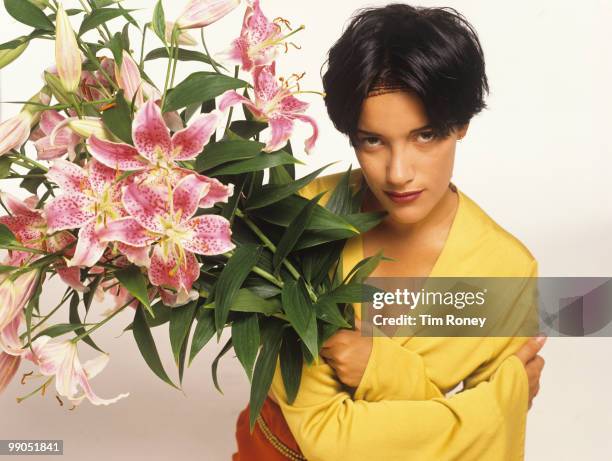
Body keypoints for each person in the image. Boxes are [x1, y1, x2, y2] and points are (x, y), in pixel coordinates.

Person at [232, 3, 547, 460]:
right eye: (373, 140)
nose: (398, 174)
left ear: (460, 125)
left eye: (424, 136)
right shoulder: (300, 219)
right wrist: (488, 407)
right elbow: (326, 435)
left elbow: (489, 448)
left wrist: (377, 366)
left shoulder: (508, 270)